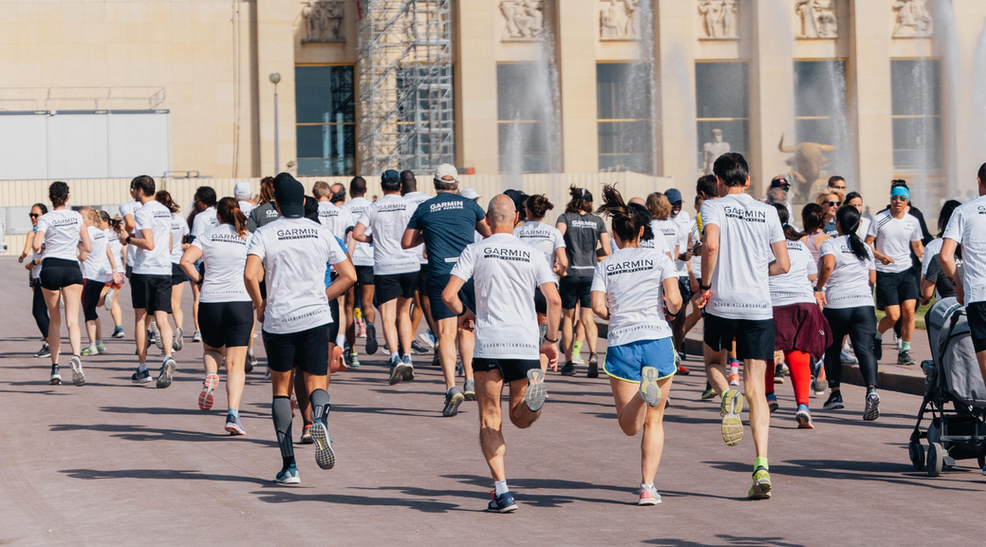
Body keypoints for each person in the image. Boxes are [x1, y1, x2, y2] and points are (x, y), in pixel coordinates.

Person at [442, 195, 561, 513]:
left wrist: (465, 311)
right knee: (520, 418)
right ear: (516, 218)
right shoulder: (532, 253)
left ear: (488, 219)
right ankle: (537, 389)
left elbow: (448, 294)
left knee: (490, 419)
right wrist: (549, 340)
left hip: (489, 345)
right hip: (524, 344)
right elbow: (554, 300)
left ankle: (503, 491)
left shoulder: (475, 250)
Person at [244, 173, 356, 484]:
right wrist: (323, 296)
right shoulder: (320, 232)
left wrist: (260, 303)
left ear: (276, 203)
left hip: (280, 320)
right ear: (304, 201)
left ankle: (289, 466)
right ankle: (318, 419)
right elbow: (349, 275)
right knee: (316, 383)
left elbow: (250, 274)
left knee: (282, 390)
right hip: (316, 318)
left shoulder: (265, 233)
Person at [698, 152, 789, 500]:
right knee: (758, 388)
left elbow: (711, 244)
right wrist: (755, 274)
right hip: (758, 306)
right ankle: (762, 465)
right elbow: (783, 263)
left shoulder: (714, 206)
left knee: (713, 364)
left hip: (722, 303)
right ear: (748, 181)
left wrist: (706, 287)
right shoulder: (768, 211)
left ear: (718, 181)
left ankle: (727, 398)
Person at [590, 185, 682, 506]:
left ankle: (643, 394)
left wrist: (613, 311)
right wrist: (670, 310)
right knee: (655, 422)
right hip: (657, 339)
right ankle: (647, 488)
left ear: (615, 234)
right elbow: (673, 301)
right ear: (642, 231)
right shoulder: (659, 258)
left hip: (622, 341)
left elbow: (598, 308)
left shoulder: (605, 265)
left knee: (629, 426)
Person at [402, 164, 492, 416]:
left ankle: (452, 387)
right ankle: (471, 379)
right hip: (468, 273)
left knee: (445, 332)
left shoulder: (425, 207)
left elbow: (407, 242)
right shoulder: (470, 205)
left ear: (435, 185)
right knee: (468, 326)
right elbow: (489, 234)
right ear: (456, 185)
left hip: (440, 274)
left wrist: (429, 233)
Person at [181, 197, 254, 435]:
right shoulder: (248, 237)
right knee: (235, 365)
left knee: (212, 350)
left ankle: (211, 374)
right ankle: (233, 414)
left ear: (218, 216)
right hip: (239, 302)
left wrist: (200, 280)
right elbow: (257, 273)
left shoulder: (207, 236)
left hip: (210, 302)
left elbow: (185, 261)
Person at [765, 204, 831, 428]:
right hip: (804, 304)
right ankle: (803, 406)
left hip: (774, 304)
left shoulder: (764, 243)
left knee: (764, 353)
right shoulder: (799, 244)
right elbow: (812, 274)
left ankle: (769, 396)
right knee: (799, 355)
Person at [353, 170, 421, 383]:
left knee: (388, 316)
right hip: (410, 263)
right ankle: (408, 356)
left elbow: (356, 233)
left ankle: (394, 357)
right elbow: (422, 230)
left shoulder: (373, 207)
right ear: (400, 187)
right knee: (405, 313)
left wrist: (371, 239)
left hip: (385, 266)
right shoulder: (411, 205)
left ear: (382, 187)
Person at [815, 205, 881, 419]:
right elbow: (872, 279)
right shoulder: (865, 247)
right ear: (859, 223)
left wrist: (818, 288)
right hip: (864, 305)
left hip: (837, 305)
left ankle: (835, 395)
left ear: (839, 224)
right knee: (864, 350)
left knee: (833, 349)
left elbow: (827, 268)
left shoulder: (831, 244)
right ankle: (871, 390)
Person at [121, 175, 177, 388]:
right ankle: (168, 356)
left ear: (140, 190)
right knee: (162, 318)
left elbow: (148, 243)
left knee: (140, 318)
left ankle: (143, 367)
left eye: (133, 189)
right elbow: (169, 245)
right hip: (164, 269)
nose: (132, 192)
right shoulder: (165, 211)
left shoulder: (142, 212)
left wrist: (127, 239)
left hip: (145, 270)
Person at [34, 182, 91, 386]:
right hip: (71, 268)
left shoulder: (45, 218)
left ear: (50, 198)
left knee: (54, 321)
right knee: (73, 321)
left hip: (50, 267)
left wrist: (45, 243)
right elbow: (88, 246)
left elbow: (35, 244)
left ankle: (55, 369)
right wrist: (72, 241)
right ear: (67, 198)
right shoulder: (76, 217)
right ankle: (76, 357)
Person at [940, 165, 986, 422]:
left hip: (979, 295)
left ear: (979, 181)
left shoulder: (963, 211)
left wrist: (957, 286)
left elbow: (946, 257)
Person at [865, 185, 924, 366]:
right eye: (895, 198)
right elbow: (867, 244)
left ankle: (904, 351)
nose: (898, 201)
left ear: (907, 201)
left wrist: (926, 263)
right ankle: (877, 336)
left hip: (906, 272)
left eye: (902, 198)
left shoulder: (912, 221)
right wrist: (880, 257)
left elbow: (917, 246)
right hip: (886, 273)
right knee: (893, 316)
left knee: (909, 312)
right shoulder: (879, 219)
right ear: (890, 198)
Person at [556, 186, 612, 376]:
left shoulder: (564, 218)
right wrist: (591, 255)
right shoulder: (597, 221)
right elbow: (607, 249)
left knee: (569, 318)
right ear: (590, 202)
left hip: (570, 273)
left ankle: (569, 361)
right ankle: (594, 355)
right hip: (591, 273)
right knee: (588, 318)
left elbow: (557, 239)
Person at [514, 194, 567, 371]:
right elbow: (564, 261)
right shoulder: (554, 232)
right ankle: (540, 379)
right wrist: (560, 271)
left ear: (526, 211)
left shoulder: (516, 231)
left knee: (526, 332)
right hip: (547, 286)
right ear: (544, 213)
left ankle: (525, 371)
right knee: (545, 335)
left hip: (523, 286)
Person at [314, 181, 356, 364]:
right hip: (338, 262)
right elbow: (352, 235)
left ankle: (323, 344)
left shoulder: (313, 211)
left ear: (314, 195)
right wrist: (347, 258)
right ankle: (338, 346)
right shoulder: (342, 211)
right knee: (340, 306)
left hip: (320, 263)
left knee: (320, 304)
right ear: (330, 195)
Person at [400, 170, 438, 355]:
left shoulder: (400, 203)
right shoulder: (428, 200)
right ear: (416, 182)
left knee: (403, 304)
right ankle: (437, 338)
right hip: (425, 259)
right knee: (426, 301)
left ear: (400, 186)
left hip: (404, 259)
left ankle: (404, 344)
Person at [340, 176, 376, 366]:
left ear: (350, 190)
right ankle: (370, 324)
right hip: (369, 259)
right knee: (367, 304)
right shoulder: (371, 207)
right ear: (366, 190)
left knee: (348, 307)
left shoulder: (343, 209)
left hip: (349, 261)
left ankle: (353, 352)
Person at [78, 207, 118, 357]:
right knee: (93, 310)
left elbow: (83, 256)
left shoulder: (86, 232)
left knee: (88, 312)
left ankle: (92, 346)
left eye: (82, 217)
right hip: (101, 274)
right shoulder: (101, 233)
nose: (80, 220)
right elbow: (108, 252)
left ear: (90, 219)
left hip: (88, 274)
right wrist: (114, 269)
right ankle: (99, 343)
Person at [188, 186, 220, 343]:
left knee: (199, 297)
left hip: (204, 261)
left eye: (196, 201)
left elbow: (196, 241)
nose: (195, 204)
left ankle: (200, 330)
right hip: (220, 260)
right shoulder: (220, 214)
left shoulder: (200, 217)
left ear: (203, 201)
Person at [19, 203, 51, 358]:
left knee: (38, 312)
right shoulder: (49, 230)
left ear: (44, 215)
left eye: (36, 215)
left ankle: (51, 344)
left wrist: (32, 262)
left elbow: (45, 253)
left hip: (44, 274)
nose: (33, 218)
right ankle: (49, 343)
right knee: (45, 311)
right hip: (39, 273)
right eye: (30, 215)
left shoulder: (40, 232)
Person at [158, 191, 189, 353]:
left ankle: (162, 332)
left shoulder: (159, 220)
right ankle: (179, 328)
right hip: (178, 262)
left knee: (162, 304)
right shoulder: (180, 220)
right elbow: (187, 240)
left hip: (163, 263)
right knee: (176, 304)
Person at [920, 200, 961, 304]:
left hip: (945, 305)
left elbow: (926, 294)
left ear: (942, 221)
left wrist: (922, 297)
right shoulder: (972, 245)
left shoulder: (933, 247)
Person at [99, 211, 127, 340]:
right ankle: (119, 328)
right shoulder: (116, 233)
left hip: (106, 270)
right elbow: (124, 250)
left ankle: (105, 298)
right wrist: (125, 267)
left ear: (104, 221)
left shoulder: (100, 234)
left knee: (97, 301)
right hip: (119, 270)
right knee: (114, 301)